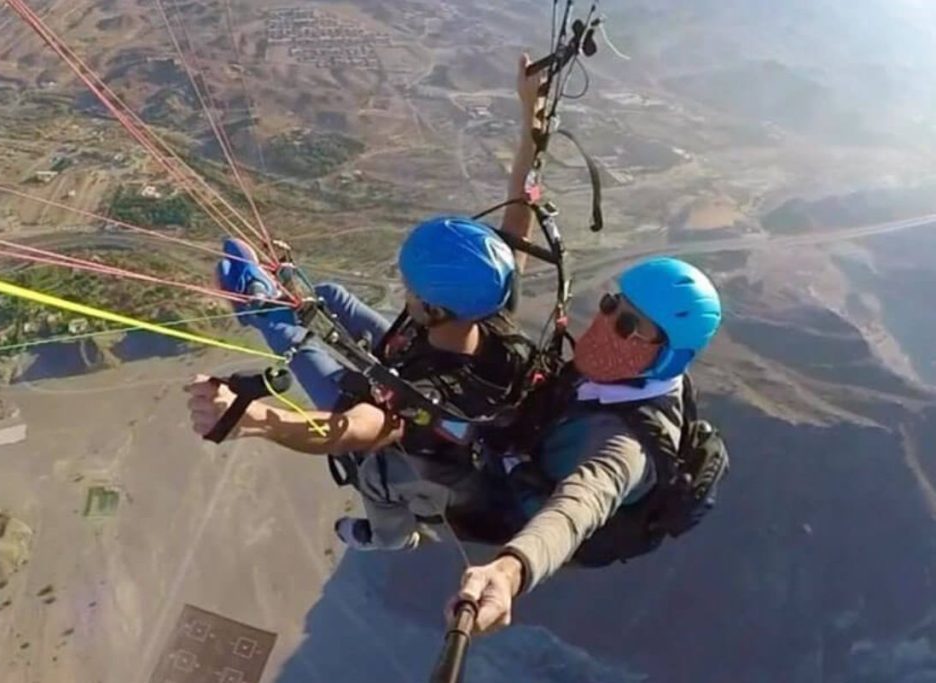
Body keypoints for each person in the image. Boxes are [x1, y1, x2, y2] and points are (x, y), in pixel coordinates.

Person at [186, 55, 547, 553]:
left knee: (296, 342)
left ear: (435, 308)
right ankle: (279, 295)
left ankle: (387, 537)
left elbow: (350, 431)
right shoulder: (491, 310)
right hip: (410, 369)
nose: (404, 289)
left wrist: (255, 421)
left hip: (415, 443)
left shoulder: (423, 397)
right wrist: (532, 119)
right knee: (329, 298)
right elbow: (520, 210)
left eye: (410, 286)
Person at [450, 257, 724, 635]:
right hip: (525, 449)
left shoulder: (625, 447)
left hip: (514, 503)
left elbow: (577, 507)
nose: (609, 322)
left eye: (629, 325)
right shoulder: (623, 376)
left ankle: (387, 529)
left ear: (668, 357)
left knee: (402, 457)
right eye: (612, 305)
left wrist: (510, 571)